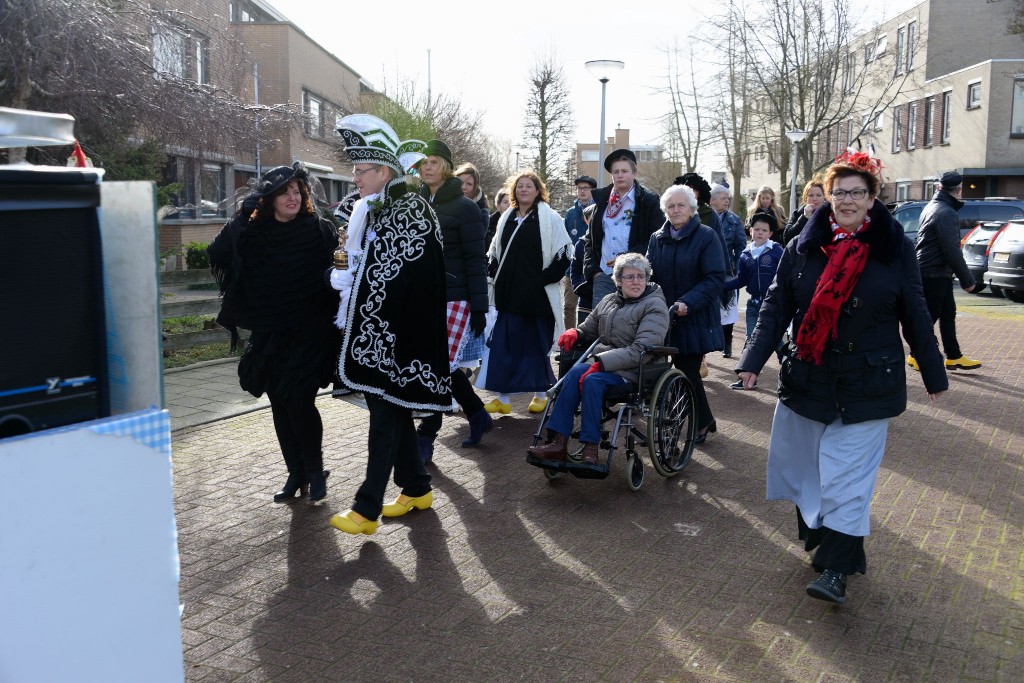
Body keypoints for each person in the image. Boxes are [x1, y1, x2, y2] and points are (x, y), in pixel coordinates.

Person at [735, 152, 947, 604]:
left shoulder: (894, 249)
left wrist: (933, 371)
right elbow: (776, 307)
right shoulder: (803, 246)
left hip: (868, 382)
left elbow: (915, 310)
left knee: (846, 479)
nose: (847, 200)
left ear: (873, 199)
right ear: (827, 197)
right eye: (839, 192)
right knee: (807, 472)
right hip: (809, 377)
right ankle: (828, 541)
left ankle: (837, 569)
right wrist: (752, 360)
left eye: (857, 193)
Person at [329, 114, 451, 537]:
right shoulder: (388, 207)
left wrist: (356, 276)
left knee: (384, 417)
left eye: (361, 171)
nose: (355, 178)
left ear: (383, 170)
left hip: (400, 338)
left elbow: (398, 277)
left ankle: (365, 509)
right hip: (389, 335)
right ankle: (417, 488)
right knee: (392, 412)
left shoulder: (409, 208)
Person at [208, 162, 338, 504]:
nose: (293, 198)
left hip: (310, 331)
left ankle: (314, 469)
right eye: (285, 193)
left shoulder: (318, 229)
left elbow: (339, 274)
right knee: (279, 401)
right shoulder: (255, 232)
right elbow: (217, 253)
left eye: (297, 192)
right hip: (270, 331)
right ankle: (295, 472)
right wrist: (239, 218)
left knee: (299, 400)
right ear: (270, 200)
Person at [527, 253, 669, 467]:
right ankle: (559, 442)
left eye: (641, 276)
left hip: (636, 370)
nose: (636, 281)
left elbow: (642, 349)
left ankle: (590, 448)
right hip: (604, 363)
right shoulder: (609, 301)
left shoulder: (654, 305)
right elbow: (589, 328)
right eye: (630, 277)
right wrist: (575, 333)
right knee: (574, 373)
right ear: (618, 281)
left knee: (593, 381)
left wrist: (601, 362)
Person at [411, 139, 493, 459]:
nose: (427, 167)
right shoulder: (416, 203)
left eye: (434, 161)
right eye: (423, 162)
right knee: (440, 366)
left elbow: (476, 261)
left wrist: (480, 308)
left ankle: (425, 436)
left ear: (445, 166)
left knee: (435, 366)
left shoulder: (465, 207)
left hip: (454, 298)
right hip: (422, 296)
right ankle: (477, 413)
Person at [478, 170, 571, 415]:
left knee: (534, 346)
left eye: (529, 186)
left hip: (537, 298)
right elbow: (494, 250)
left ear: (538, 190)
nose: (524, 190)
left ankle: (540, 394)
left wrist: (544, 279)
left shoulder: (549, 217)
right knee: (503, 346)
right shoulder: (506, 217)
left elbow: (565, 253)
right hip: (508, 295)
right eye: (520, 186)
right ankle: (503, 399)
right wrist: (494, 270)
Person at [646, 183, 725, 444]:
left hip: (693, 316)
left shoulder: (706, 236)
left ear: (691, 208)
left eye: (681, 205)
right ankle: (692, 421)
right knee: (662, 373)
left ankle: (700, 423)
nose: (676, 210)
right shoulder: (657, 238)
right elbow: (650, 275)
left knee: (688, 371)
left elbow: (714, 278)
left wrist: (687, 302)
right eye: (671, 206)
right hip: (664, 317)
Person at [908, 170, 982, 371]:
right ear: (958, 190)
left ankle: (954, 355)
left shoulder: (933, 206)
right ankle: (915, 355)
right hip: (934, 272)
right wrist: (967, 280)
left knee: (948, 313)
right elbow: (951, 249)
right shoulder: (946, 212)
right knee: (929, 317)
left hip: (935, 271)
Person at [582, 149, 665, 305]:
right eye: (616, 172)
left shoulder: (648, 201)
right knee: (602, 325)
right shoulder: (601, 203)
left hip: (635, 277)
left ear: (634, 173)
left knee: (631, 325)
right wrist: (594, 272)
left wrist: (625, 259)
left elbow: (656, 240)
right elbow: (590, 241)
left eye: (624, 171)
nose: (620, 175)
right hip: (604, 277)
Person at [723, 209, 783, 389]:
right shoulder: (745, 255)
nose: (760, 233)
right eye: (757, 229)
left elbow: (785, 275)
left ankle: (789, 373)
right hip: (754, 304)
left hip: (773, 305)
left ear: (770, 233)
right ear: (750, 231)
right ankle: (747, 378)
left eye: (764, 230)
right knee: (751, 339)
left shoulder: (776, 251)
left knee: (778, 341)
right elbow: (741, 280)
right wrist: (719, 286)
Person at [561, 175, 597, 333]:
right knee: (569, 305)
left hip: (593, 268)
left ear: (592, 190)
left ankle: (588, 339)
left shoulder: (600, 210)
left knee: (592, 307)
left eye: (586, 188)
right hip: (572, 268)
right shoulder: (570, 214)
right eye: (580, 188)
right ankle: (570, 342)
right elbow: (564, 239)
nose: (582, 191)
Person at [569, 203, 599, 327]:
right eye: (592, 218)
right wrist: (580, 287)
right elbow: (574, 270)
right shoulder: (581, 244)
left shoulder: (608, 242)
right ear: (586, 220)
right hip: (585, 301)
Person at [782, 178, 826, 246]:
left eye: (818, 195)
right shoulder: (798, 213)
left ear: (824, 197)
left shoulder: (830, 214)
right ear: (806, 198)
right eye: (811, 195)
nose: (814, 199)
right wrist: (805, 217)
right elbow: (787, 239)